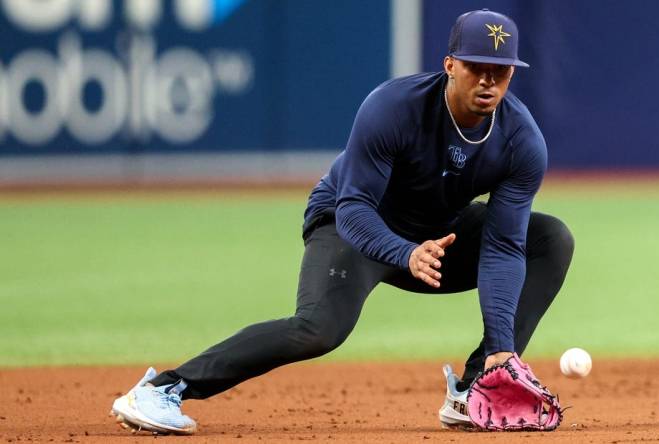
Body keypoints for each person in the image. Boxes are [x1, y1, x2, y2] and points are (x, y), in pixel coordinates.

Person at [110, 8, 574, 435]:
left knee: (550, 238)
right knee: (318, 329)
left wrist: (499, 345)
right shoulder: (395, 108)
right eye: (477, 67)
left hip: (438, 238)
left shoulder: (521, 141)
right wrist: (404, 252)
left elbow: (503, 246)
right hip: (354, 226)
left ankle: (475, 388)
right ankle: (162, 389)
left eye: (501, 71)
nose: (489, 82)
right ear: (450, 64)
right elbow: (353, 208)